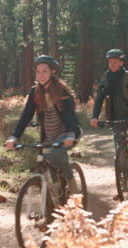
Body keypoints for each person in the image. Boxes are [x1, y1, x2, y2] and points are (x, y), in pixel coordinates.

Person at [6, 55, 81, 194]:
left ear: (52, 71)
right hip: (48, 136)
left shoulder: (62, 90)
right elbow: (26, 116)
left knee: (57, 154)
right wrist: (14, 137)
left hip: (66, 132)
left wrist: (70, 135)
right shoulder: (35, 92)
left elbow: (69, 115)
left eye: (45, 71)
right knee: (46, 160)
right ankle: (52, 195)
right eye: (38, 71)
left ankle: (72, 185)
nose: (41, 75)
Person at [90, 49, 128, 188]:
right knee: (119, 149)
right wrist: (94, 116)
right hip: (114, 118)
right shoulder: (105, 78)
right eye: (110, 62)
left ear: (121, 63)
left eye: (115, 62)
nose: (112, 64)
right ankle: (124, 178)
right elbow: (99, 98)